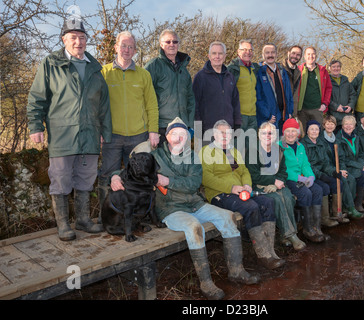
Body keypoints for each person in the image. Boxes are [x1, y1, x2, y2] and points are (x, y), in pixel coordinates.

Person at [110, 117, 260, 300]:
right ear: (167, 135)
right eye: (175, 134)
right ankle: (206, 283)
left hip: (195, 203)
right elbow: (132, 167)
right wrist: (115, 177)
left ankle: (236, 271)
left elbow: (194, 183)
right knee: (193, 226)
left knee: (228, 216)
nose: (179, 138)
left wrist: (168, 181)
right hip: (170, 209)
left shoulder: (193, 157)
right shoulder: (154, 156)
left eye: (183, 134)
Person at [27, 15, 111, 241]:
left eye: (82, 37)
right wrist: (35, 125)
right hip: (63, 134)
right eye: (73, 37)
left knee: (86, 178)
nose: (78, 42)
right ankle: (63, 225)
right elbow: (37, 97)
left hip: (90, 135)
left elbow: (103, 104)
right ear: (64, 39)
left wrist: (104, 131)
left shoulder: (95, 68)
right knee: (61, 179)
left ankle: (83, 220)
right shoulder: (51, 63)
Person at [200, 120, 284, 270]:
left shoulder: (233, 151)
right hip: (220, 194)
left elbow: (244, 171)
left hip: (241, 190)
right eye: (222, 133)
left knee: (268, 202)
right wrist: (231, 187)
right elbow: (206, 178)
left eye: (228, 133)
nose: (225, 136)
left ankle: (271, 251)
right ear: (214, 134)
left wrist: (246, 184)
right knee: (251, 206)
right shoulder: (206, 152)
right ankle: (263, 255)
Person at [98, 31, 159, 218]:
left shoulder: (143, 75)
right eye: (123, 45)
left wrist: (153, 131)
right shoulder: (104, 73)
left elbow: (152, 105)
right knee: (108, 176)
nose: (126, 49)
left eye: (130, 46)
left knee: (141, 177)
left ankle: (140, 216)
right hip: (112, 135)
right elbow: (97, 104)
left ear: (134, 50)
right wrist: (99, 130)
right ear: (116, 47)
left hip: (138, 136)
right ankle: (106, 215)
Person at [245, 121, 306, 250]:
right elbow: (253, 175)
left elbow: (283, 171)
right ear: (259, 135)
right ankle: (291, 235)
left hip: (276, 185)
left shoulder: (278, 150)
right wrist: (273, 181)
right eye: (264, 133)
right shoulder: (252, 151)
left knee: (288, 197)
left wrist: (279, 182)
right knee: (277, 199)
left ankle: (284, 235)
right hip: (258, 186)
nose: (267, 136)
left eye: (271, 133)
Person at [279, 118, 326, 242]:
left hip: (303, 178)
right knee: (306, 193)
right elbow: (283, 169)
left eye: (293, 131)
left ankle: (317, 226)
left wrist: (310, 177)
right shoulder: (280, 147)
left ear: (297, 133)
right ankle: (307, 229)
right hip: (288, 179)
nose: (290, 134)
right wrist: (299, 178)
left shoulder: (300, 146)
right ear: (284, 132)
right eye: (288, 131)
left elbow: (305, 164)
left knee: (318, 190)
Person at [145, 29, 195, 145]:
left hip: (182, 127)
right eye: (168, 42)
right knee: (161, 162)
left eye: (175, 42)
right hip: (161, 127)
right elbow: (144, 96)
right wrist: (150, 128)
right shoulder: (153, 66)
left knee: (180, 162)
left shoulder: (184, 70)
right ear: (161, 44)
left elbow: (190, 99)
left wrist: (190, 125)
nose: (172, 44)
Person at [193, 41, 241, 140]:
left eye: (220, 53)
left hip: (227, 129)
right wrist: (198, 129)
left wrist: (237, 124)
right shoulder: (200, 77)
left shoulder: (230, 77)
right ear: (209, 56)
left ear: (224, 56)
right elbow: (195, 104)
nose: (217, 56)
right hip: (208, 130)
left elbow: (235, 102)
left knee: (227, 156)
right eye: (214, 53)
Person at [320, 115, 363, 222]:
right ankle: (351, 208)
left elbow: (341, 157)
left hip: (338, 167)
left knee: (351, 178)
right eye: (327, 123)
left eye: (332, 123)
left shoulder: (336, 139)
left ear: (335, 126)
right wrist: (337, 171)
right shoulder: (321, 139)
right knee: (343, 180)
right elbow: (324, 161)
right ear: (324, 125)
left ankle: (346, 206)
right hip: (328, 169)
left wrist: (343, 169)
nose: (330, 126)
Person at [300, 120, 340, 228]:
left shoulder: (321, 143)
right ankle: (324, 218)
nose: (314, 131)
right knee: (324, 187)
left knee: (335, 181)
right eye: (311, 129)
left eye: (316, 129)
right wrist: (321, 175)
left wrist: (333, 172)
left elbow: (325, 162)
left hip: (321, 172)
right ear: (307, 131)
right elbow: (307, 165)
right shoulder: (303, 144)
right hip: (310, 175)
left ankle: (337, 213)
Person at [336, 116, 364, 214]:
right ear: (342, 125)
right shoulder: (339, 139)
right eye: (346, 124)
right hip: (346, 166)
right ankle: (357, 204)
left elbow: (361, 154)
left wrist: (362, 165)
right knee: (362, 175)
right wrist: (360, 167)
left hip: (357, 164)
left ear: (354, 126)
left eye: (351, 124)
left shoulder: (356, 137)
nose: (348, 126)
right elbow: (343, 159)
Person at [255, 43, 293, 129]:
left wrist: (289, 111)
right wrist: (267, 115)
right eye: (267, 53)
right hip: (270, 118)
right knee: (271, 142)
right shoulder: (259, 72)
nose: (270, 55)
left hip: (284, 116)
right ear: (263, 55)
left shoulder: (282, 71)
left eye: (272, 52)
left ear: (276, 54)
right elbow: (258, 97)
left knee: (282, 142)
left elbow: (289, 93)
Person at [227, 39, 260, 133]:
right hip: (238, 116)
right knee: (238, 146)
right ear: (238, 51)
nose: (248, 52)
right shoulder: (232, 69)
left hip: (253, 116)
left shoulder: (255, 69)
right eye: (244, 50)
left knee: (252, 147)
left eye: (250, 50)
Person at [296, 47, 332, 130]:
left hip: (317, 108)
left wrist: (325, 104)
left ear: (316, 55)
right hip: (302, 109)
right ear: (304, 56)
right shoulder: (298, 70)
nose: (311, 56)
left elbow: (328, 88)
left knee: (318, 133)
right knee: (303, 134)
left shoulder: (322, 71)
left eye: (313, 54)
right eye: (308, 54)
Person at [328, 59, 357, 132]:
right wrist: (336, 107)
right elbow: (325, 98)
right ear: (330, 68)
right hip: (333, 117)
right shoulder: (327, 80)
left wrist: (350, 106)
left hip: (347, 116)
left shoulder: (345, 80)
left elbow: (353, 95)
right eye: (333, 67)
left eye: (338, 66)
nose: (336, 68)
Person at [282, 45, 302, 111]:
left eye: (298, 55)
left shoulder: (298, 73)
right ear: (288, 53)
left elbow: (295, 95)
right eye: (293, 53)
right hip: (280, 111)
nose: (295, 56)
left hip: (291, 111)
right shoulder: (279, 68)